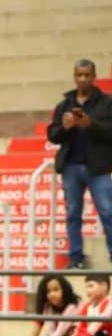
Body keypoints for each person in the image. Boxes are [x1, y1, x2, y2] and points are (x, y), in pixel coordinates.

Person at [46, 59, 112, 269]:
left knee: (108, 212)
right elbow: (53, 135)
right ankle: (76, 258)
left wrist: (90, 124)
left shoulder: (106, 102)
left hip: (98, 167)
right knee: (73, 213)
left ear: (94, 77)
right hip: (71, 167)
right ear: (74, 76)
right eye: (79, 75)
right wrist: (65, 127)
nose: (82, 79)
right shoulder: (64, 104)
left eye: (86, 75)